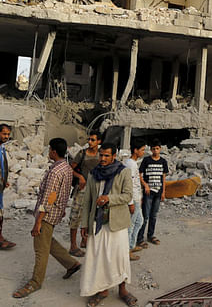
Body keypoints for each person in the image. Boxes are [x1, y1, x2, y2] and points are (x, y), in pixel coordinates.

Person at [12, 138, 81, 298]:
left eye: (50, 149)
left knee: (40, 249)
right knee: (48, 241)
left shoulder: (55, 172)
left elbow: (49, 198)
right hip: (56, 212)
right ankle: (71, 264)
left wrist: (38, 221)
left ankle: (35, 282)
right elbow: (62, 193)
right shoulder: (66, 168)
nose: (49, 152)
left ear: (54, 152)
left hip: (47, 214)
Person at [80, 143, 137, 307]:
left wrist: (109, 199)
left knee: (119, 257)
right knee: (99, 257)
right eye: (101, 155)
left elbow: (127, 196)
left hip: (117, 222)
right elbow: (88, 201)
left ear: (114, 156)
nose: (103, 159)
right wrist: (84, 224)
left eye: (106, 156)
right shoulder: (93, 174)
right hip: (97, 221)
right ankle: (102, 290)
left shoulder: (123, 171)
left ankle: (123, 290)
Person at [67, 131, 102, 256]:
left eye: (93, 140)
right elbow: (70, 168)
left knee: (90, 215)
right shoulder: (82, 154)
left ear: (99, 142)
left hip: (96, 189)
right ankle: (72, 245)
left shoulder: (101, 155)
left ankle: (85, 240)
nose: (90, 142)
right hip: (82, 188)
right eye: (89, 139)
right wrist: (80, 177)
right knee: (76, 215)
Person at [137, 139, 168, 247]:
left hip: (158, 192)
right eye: (153, 149)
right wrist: (145, 185)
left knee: (153, 216)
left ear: (160, 149)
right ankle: (140, 238)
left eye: (157, 149)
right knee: (145, 216)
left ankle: (151, 235)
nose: (155, 151)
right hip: (148, 192)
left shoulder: (163, 162)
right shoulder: (146, 160)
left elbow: (163, 178)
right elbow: (139, 174)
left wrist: (163, 192)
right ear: (151, 150)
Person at [123, 139, 145, 261]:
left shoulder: (133, 163)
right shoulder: (130, 164)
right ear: (135, 150)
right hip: (133, 200)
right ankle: (127, 251)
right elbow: (129, 184)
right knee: (130, 225)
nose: (143, 152)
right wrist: (131, 202)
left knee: (139, 222)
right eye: (142, 150)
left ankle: (131, 244)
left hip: (137, 198)